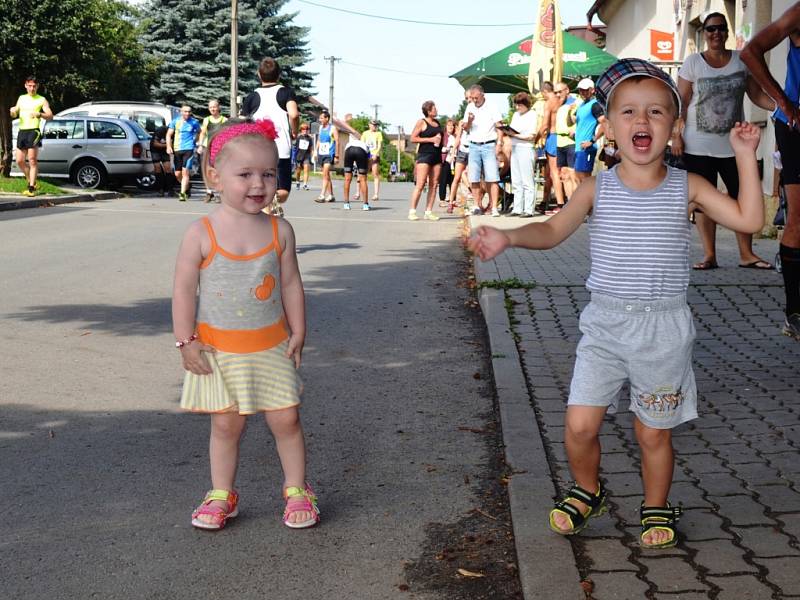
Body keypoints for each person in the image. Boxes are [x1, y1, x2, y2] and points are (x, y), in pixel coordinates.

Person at [469, 58, 764, 548]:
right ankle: (589, 491)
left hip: (662, 330)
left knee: (653, 434)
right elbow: (551, 229)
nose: (641, 121)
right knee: (579, 426)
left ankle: (655, 506)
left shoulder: (687, 187)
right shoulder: (595, 187)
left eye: (655, 112)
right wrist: (509, 238)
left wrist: (744, 157)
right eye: (627, 112)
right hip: (604, 326)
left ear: (674, 126)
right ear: (608, 125)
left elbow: (749, 220)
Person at [173, 118, 319, 531]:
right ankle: (221, 493)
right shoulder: (200, 232)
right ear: (214, 177)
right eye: (246, 175)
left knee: (286, 419)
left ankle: (296, 489)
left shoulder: (280, 230)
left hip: (271, 345)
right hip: (219, 350)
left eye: (269, 174)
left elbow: (291, 284)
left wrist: (299, 330)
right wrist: (185, 340)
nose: (259, 184)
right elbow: (183, 289)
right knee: (226, 424)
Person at [674, 12, 776, 271]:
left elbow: (755, 95)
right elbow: (681, 101)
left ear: (726, 32)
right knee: (704, 202)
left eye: (720, 28)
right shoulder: (693, 63)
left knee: (743, 196)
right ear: (704, 33)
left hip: (736, 144)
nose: (715, 33)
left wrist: (780, 108)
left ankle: (747, 254)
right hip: (697, 144)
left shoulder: (741, 61)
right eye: (710, 29)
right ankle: (709, 255)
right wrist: (676, 134)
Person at [742, 2, 800, 340]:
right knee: (797, 218)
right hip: (795, 128)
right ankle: (794, 311)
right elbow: (751, 52)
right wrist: (783, 102)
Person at [241, 57, 300, 210]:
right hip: (280, 150)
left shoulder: (251, 96)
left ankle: (266, 205)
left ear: (259, 74)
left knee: (261, 186)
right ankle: (272, 200)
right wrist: (294, 131)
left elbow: (241, 122)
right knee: (284, 192)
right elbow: (293, 114)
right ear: (279, 74)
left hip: (257, 151)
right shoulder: (286, 93)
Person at [9, 76, 53, 197]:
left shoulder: (41, 99)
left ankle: (31, 188)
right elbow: (15, 112)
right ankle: (31, 181)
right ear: (26, 85)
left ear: (37, 86)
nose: (32, 88)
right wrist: (13, 111)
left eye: (34, 86)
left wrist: (39, 114)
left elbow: (50, 115)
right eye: (30, 86)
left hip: (34, 131)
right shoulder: (21, 98)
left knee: (32, 160)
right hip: (22, 131)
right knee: (19, 161)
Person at [464, 85, 504, 217]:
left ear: (483, 94)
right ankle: (476, 205)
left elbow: (499, 125)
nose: (474, 100)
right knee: (474, 177)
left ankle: (493, 207)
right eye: (472, 98)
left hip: (489, 144)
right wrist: (469, 121)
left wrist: (499, 143)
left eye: (476, 98)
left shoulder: (492, 106)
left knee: (492, 177)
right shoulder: (470, 107)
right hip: (474, 145)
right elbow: (466, 128)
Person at [408, 100, 443, 221]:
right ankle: (412, 211)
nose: (436, 110)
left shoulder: (438, 123)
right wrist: (430, 139)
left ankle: (428, 211)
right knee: (421, 184)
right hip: (424, 155)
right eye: (434, 108)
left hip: (437, 156)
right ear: (428, 111)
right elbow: (413, 138)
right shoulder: (421, 122)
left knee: (434, 185)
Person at [506, 92, 539, 217]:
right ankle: (517, 208)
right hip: (515, 147)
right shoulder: (515, 115)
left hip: (526, 148)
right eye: (516, 105)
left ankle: (529, 209)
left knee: (527, 180)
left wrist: (515, 135)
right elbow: (513, 130)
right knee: (516, 179)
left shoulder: (532, 115)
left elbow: (531, 135)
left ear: (526, 104)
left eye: (519, 105)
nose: (517, 108)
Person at [539, 82, 570, 213]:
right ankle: (567, 199)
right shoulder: (566, 101)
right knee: (565, 171)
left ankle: (560, 203)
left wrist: (537, 138)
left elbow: (545, 125)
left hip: (552, 136)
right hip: (565, 137)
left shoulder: (549, 103)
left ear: (544, 92)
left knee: (554, 172)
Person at [573, 78, 606, 184]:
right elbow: (575, 122)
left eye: (585, 90)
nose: (582, 92)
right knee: (579, 178)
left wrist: (592, 141)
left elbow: (604, 123)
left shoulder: (595, 105)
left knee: (585, 179)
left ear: (592, 90)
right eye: (580, 90)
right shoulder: (581, 105)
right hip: (579, 147)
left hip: (587, 148)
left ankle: (591, 200)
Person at [166, 105, 202, 202]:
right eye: (185, 111)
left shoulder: (194, 122)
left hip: (189, 149)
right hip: (177, 149)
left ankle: (182, 194)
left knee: (185, 172)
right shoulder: (175, 121)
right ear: (181, 112)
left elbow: (199, 132)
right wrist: (168, 146)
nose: (187, 113)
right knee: (177, 174)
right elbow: (169, 134)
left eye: (189, 112)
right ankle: (187, 186)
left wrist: (195, 141)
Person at [198, 99, 228, 203]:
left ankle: (219, 193)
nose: (212, 109)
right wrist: (200, 145)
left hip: (219, 148)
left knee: (219, 171)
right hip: (208, 147)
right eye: (210, 108)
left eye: (214, 107)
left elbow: (227, 134)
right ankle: (209, 192)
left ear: (218, 107)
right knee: (206, 170)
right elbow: (202, 133)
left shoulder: (224, 120)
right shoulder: (207, 120)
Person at [448, 90, 473, 213]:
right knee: (457, 177)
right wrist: (453, 153)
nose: (469, 100)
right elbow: (458, 137)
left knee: (472, 178)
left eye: (470, 97)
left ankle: (471, 204)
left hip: (473, 150)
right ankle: (451, 203)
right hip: (463, 150)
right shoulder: (462, 121)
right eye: (467, 98)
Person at [314, 111, 338, 203]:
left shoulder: (333, 128)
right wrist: (315, 151)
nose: (320, 120)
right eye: (320, 118)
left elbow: (337, 142)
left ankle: (322, 195)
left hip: (329, 154)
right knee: (327, 175)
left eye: (321, 118)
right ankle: (331, 195)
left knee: (325, 174)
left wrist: (336, 155)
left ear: (327, 118)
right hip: (321, 153)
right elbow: (319, 140)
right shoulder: (320, 128)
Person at [342, 135, 371, 211]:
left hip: (349, 151)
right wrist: (367, 170)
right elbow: (369, 159)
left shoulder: (348, 143)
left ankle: (346, 204)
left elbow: (344, 156)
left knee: (347, 179)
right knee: (363, 180)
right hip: (361, 152)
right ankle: (365, 205)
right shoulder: (365, 145)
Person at [361, 120, 383, 201]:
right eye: (373, 125)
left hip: (374, 155)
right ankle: (361, 192)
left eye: (376, 125)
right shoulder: (365, 133)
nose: (374, 126)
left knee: (375, 173)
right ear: (369, 125)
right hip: (366, 154)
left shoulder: (378, 134)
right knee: (363, 174)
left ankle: (376, 194)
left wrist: (375, 154)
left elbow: (379, 145)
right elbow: (362, 143)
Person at [150, 124, 174, 197]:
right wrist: (168, 145)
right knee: (157, 168)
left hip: (165, 150)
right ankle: (160, 189)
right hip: (155, 150)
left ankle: (170, 189)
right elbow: (155, 143)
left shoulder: (175, 133)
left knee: (168, 168)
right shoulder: (161, 130)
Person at [439, 119, 457, 208]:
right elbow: (439, 147)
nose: (451, 127)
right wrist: (446, 149)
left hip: (454, 161)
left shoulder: (455, 136)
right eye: (449, 125)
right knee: (443, 181)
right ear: (446, 126)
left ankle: (453, 200)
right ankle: (442, 200)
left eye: (452, 125)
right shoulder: (443, 136)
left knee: (453, 180)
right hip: (445, 161)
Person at [293, 122, 313, 191]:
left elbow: (311, 148)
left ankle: (305, 184)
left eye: (307, 129)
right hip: (299, 156)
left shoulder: (310, 138)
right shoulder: (298, 137)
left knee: (306, 169)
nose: (305, 131)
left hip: (306, 156)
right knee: (298, 171)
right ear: (301, 130)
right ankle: (298, 182)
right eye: (303, 129)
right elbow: (295, 147)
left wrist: (312, 156)